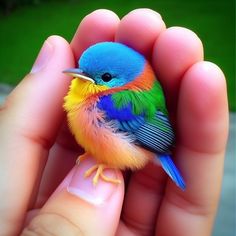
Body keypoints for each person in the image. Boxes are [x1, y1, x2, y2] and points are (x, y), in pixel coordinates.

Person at [0, 8, 228, 236]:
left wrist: (106, 163)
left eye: (105, 78)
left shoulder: (109, 102)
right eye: (83, 70)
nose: (83, 77)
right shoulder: (88, 90)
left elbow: (144, 135)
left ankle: (105, 163)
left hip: (143, 142)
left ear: (118, 81)